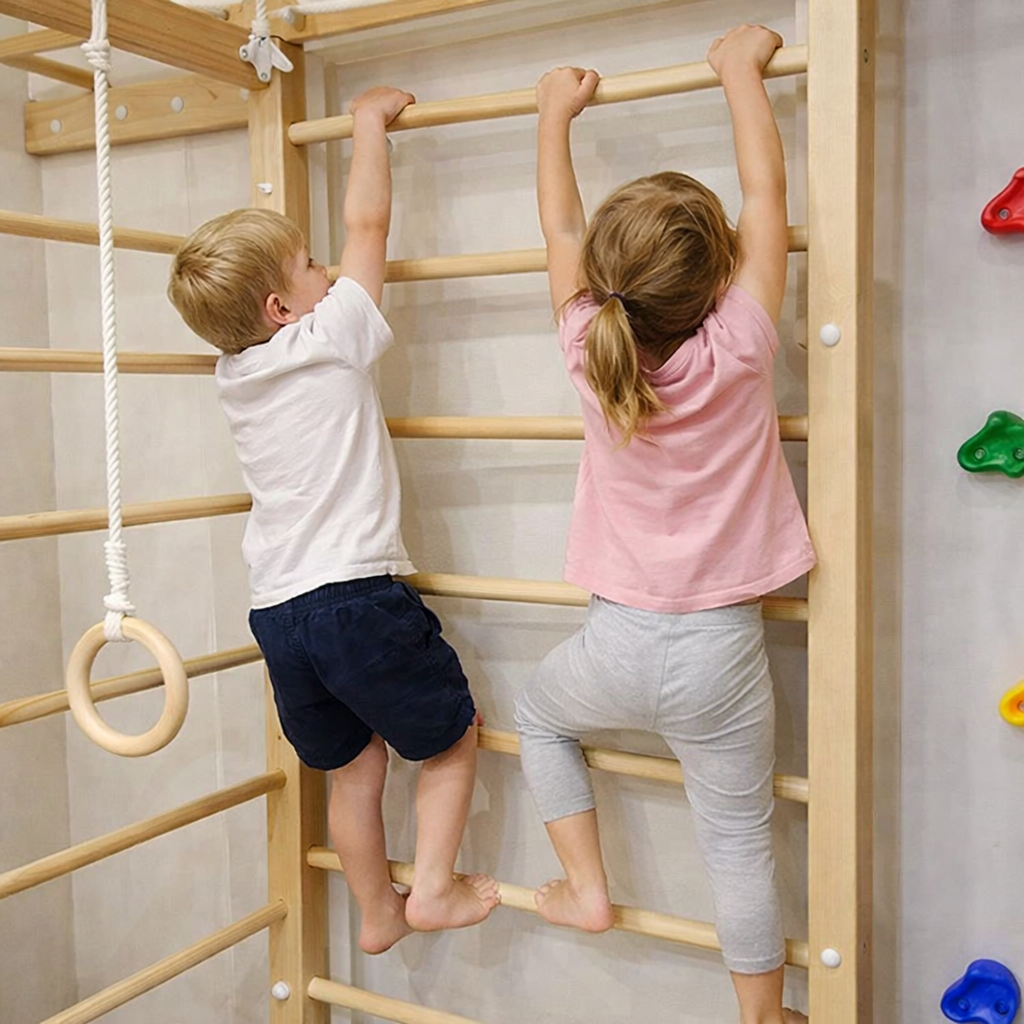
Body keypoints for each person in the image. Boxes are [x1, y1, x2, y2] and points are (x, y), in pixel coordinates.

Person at [514, 25, 813, 1024]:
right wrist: (738, 72)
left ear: (604, 290)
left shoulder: (584, 350)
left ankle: (586, 888)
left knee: (540, 714)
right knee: (737, 839)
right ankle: (762, 1017)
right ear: (721, 269)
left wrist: (552, 113)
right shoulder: (741, 342)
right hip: (723, 651)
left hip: (616, 639)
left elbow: (559, 231)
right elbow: (767, 198)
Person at [168, 85, 499, 955]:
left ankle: (377, 911)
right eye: (311, 266)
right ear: (286, 310)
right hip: (354, 597)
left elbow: (344, 249)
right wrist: (367, 125)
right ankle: (430, 888)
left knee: (351, 773)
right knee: (453, 738)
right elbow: (371, 229)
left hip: (276, 614)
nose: (330, 271)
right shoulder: (332, 332)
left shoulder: (233, 376)